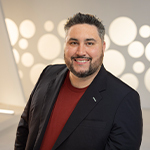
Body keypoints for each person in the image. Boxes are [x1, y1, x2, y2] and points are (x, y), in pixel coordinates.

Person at [15, 12, 143, 150]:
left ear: (103, 47)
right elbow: (25, 127)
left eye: (89, 43)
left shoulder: (125, 98)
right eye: (74, 42)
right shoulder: (48, 74)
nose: (81, 51)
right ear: (65, 45)